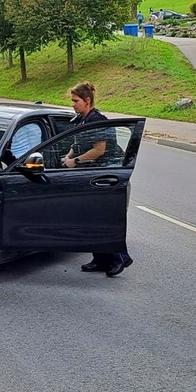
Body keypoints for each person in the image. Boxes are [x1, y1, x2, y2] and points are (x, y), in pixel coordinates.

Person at [59, 81, 132, 278]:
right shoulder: (83, 119)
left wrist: (75, 161)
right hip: (90, 175)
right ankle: (99, 259)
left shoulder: (97, 120)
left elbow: (99, 150)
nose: (72, 104)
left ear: (87, 101)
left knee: (103, 219)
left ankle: (119, 258)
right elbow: (78, 142)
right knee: (90, 218)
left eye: (76, 101)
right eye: (72, 101)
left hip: (104, 176)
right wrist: (68, 156)